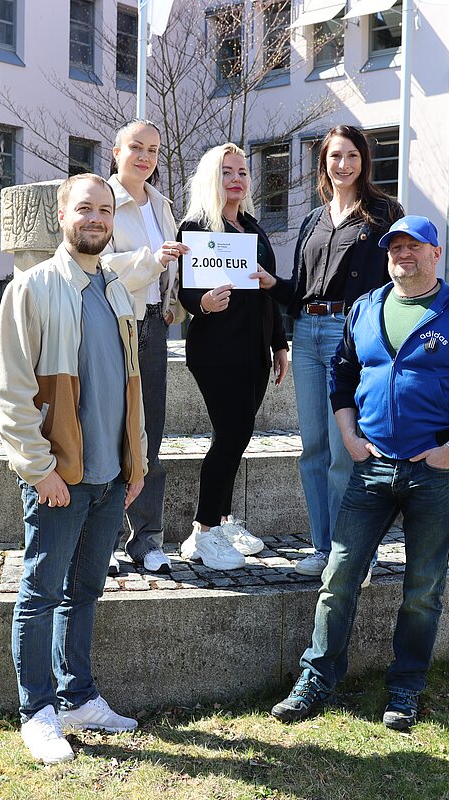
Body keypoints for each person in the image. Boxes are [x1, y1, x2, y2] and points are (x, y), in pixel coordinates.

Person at [271, 215, 449, 730]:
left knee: (423, 588)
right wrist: (349, 435)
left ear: (435, 253)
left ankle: (404, 690)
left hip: (433, 472)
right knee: (338, 577)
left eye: (414, 247)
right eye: (395, 247)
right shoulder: (366, 307)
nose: (404, 255)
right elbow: (341, 370)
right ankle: (316, 679)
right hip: (372, 469)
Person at [0, 173, 148, 765]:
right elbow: (10, 392)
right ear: (62, 215)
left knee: (86, 589)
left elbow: (131, 391)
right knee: (40, 593)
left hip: (109, 480)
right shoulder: (30, 290)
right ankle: (37, 712)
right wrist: (39, 469)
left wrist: (137, 464)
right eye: (85, 209)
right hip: (60, 478)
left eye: (105, 211)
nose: (96, 219)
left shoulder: (117, 291)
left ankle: (77, 697)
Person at [283, 125, 405, 577]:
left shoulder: (383, 211)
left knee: (345, 448)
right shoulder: (313, 220)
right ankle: (323, 547)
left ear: (363, 160)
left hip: (349, 332)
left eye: (351, 155)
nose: (343, 164)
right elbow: (297, 287)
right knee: (312, 447)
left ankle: (356, 551)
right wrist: (265, 281)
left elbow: (398, 274)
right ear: (324, 163)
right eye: (335, 156)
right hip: (307, 331)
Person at [176, 143, 292, 570]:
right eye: (228, 172)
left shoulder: (255, 229)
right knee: (231, 436)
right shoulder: (196, 227)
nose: (238, 179)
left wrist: (279, 343)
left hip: (255, 351)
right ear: (212, 178)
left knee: (237, 437)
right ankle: (202, 533)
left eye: (243, 172)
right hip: (215, 352)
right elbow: (183, 292)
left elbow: (268, 292)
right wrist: (203, 302)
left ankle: (221, 521)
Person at [100, 119, 188, 576]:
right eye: (136, 147)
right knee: (115, 434)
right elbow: (102, 265)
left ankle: (147, 539)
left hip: (155, 326)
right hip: (118, 326)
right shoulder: (104, 202)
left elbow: (170, 269)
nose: (145, 157)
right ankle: (107, 539)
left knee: (150, 435)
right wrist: (153, 261)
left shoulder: (161, 204)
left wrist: (174, 307)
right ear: (116, 151)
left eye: (153, 150)